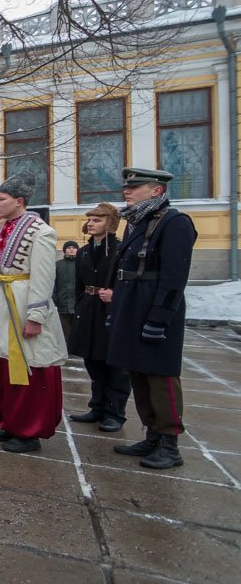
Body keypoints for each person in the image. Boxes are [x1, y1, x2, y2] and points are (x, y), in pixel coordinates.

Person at [106, 168, 197, 470]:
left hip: (153, 307)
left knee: (161, 377)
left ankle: (170, 443)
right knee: (138, 371)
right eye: (126, 187)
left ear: (156, 191)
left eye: (135, 187)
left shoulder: (174, 222)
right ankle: (153, 434)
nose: (127, 192)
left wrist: (160, 317)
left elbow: (174, 278)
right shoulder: (137, 223)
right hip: (131, 306)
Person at [0, 172, 67, 453]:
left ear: (19, 200)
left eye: (1, 199)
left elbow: (43, 276)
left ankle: (29, 430)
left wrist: (36, 316)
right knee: (3, 364)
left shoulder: (40, 231)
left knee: (28, 367)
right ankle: (9, 422)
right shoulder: (5, 228)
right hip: (1, 304)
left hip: (21, 305)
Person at [68, 202, 129, 433]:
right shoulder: (83, 251)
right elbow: (78, 284)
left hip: (111, 311)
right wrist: (79, 306)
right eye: (90, 220)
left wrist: (116, 293)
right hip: (88, 309)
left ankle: (115, 412)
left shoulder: (120, 249)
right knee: (92, 361)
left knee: (114, 365)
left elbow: (128, 281)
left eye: (98, 220)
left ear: (110, 224)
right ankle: (97, 407)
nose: (91, 224)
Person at [54, 240, 79, 341]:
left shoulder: (82, 263)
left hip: (78, 302)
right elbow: (53, 283)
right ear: (64, 251)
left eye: (74, 248)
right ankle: (66, 349)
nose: (71, 249)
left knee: (78, 326)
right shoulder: (58, 265)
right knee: (64, 328)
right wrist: (54, 298)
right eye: (69, 248)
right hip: (62, 302)